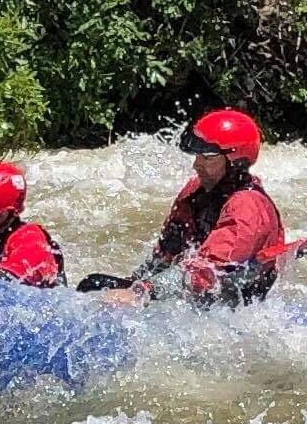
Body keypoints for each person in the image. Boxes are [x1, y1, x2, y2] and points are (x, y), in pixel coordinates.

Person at [91, 109, 285, 307]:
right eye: (197, 155)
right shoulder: (196, 190)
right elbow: (166, 254)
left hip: (232, 309)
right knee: (93, 284)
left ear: (235, 161)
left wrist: (143, 291)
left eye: (207, 157)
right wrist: (134, 283)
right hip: (192, 293)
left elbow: (206, 272)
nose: (196, 165)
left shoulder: (247, 209)